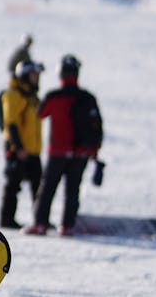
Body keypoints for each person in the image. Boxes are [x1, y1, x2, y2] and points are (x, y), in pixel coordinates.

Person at [26, 54, 103, 237]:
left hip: (58, 152)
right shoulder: (88, 98)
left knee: (47, 189)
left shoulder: (54, 96)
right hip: (81, 153)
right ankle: (67, 227)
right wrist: (94, 149)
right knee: (72, 190)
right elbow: (97, 124)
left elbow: (41, 113)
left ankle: (40, 224)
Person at [0, 61, 44, 229]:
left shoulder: (32, 97)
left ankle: (41, 220)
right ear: (25, 75)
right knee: (13, 186)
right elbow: (11, 123)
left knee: (39, 186)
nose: (38, 78)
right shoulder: (14, 95)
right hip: (19, 150)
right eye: (34, 74)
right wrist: (18, 147)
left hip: (33, 150)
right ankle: (7, 220)